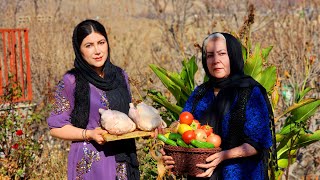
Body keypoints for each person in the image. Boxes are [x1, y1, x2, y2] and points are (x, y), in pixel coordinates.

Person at [161, 32, 277, 179]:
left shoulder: (250, 92)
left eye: (222, 54)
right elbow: (183, 128)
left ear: (233, 56)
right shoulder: (200, 93)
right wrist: (171, 153)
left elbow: (258, 142)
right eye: (210, 55)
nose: (215, 60)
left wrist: (223, 155)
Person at [47, 19, 139, 180]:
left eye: (101, 42)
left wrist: (151, 126)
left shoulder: (120, 76)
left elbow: (131, 115)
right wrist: (89, 134)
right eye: (88, 45)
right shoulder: (71, 81)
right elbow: (56, 127)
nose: (97, 51)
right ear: (79, 50)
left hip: (124, 157)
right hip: (92, 163)